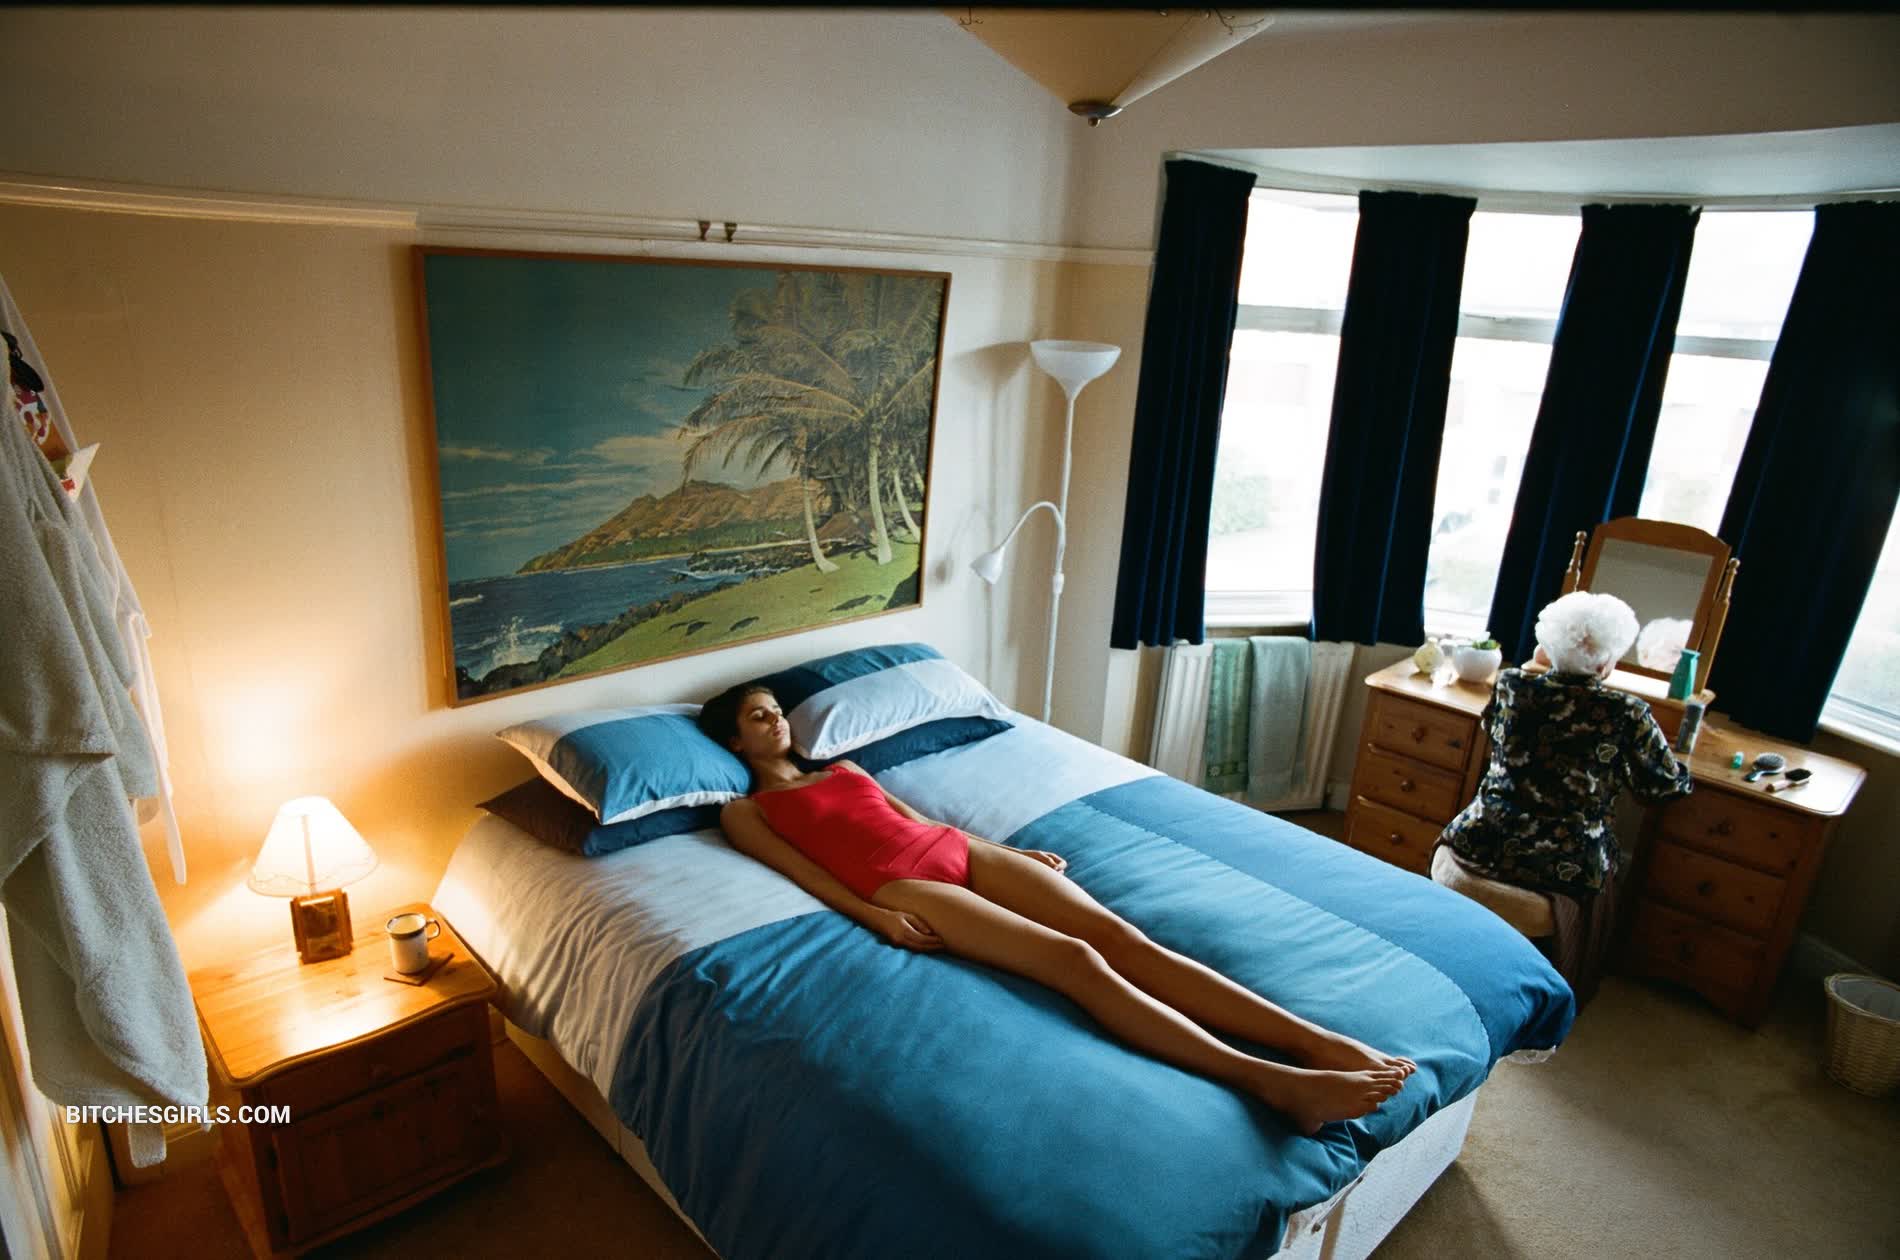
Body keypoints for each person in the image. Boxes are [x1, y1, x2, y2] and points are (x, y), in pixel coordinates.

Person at [698, 683, 1415, 1136]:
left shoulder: (845, 767)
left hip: (952, 849)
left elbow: (917, 818)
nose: (777, 720)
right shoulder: (746, 811)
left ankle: (1313, 1042)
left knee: (1122, 937)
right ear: (735, 741)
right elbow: (805, 875)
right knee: (1077, 960)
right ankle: (1272, 1081)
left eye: (776, 709)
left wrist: (1006, 853)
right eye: (759, 716)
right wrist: (874, 916)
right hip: (899, 885)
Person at [1437, 591, 1694, 1007]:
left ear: (1549, 646)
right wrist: (1677, 764)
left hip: (1484, 836)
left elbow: (1492, 733)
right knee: (1604, 862)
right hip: (1562, 859)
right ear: (1607, 663)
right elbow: (1661, 788)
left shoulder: (1511, 684)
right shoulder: (1626, 712)